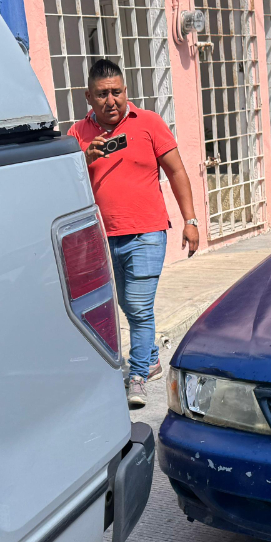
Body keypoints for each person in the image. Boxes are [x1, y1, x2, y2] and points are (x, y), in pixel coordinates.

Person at [68, 58, 200, 408]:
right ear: (88, 97)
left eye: (116, 92)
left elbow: (177, 172)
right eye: (102, 95)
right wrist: (83, 157)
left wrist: (191, 220)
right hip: (101, 238)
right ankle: (152, 357)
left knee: (139, 306)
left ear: (126, 91)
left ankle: (139, 373)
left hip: (147, 232)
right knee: (126, 303)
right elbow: (62, 182)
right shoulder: (77, 134)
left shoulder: (149, 124)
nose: (110, 100)